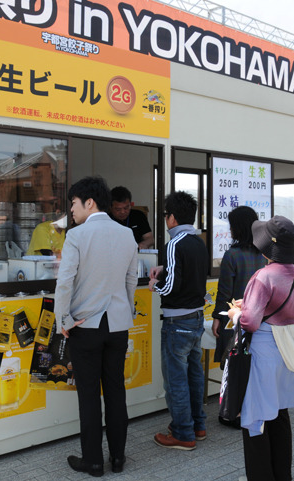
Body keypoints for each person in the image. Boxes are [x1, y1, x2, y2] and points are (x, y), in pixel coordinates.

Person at [54, 176, 138, 477]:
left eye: (74, 204)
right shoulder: (127, 234)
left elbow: (64, 282)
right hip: (117, 325)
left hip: (85, 326)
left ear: (89, 202)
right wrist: (125, 312)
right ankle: (118, 459)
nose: (72, 211)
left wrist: (62, 320)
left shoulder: (76, 236)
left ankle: (92, 461)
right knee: (116, 391)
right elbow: (131, 280)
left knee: (89, 395)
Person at [226, 215, 294, 481]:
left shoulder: (263, 276)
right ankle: (282, 474)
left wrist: (236, 313)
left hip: (263, 351)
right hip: (288, 350)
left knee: (257, 418)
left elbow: (249, 322)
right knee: (280, 415)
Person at [148, 191, 208, 450]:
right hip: (196, 318)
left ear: (171, 218)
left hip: (177, 323)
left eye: (165, 215)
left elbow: (171, 286)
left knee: (175, 380)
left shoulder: (174, 243)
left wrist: (154, 284)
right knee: (194, 375)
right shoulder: (198, 242)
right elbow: (187, 274)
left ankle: (183, 433)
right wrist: (165, 270)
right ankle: (198, 425)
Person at [211, 206, 266, 415]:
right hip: (260, 320)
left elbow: (224, 293)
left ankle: (233, 411)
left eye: (232, 226)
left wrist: (217, 318)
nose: (230, 230)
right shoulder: (265, 254)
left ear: (238, 228)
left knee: (233, 365)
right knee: (253, 367)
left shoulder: (232, 255)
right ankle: (252, 408)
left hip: (236, 321)